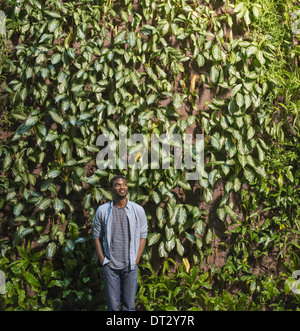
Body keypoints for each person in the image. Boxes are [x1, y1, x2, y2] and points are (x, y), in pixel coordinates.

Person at [93, 175, 148, 311]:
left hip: (130, 265)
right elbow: (96, 236)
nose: (121, 187)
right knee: (113, 307)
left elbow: (143, 235)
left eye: (124, 184)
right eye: (117, 184)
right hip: (110, 265)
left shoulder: (138, 210)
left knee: (129, 307)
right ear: (112, 189)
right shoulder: (103, 211)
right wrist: (102, 259)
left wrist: (136, 259)